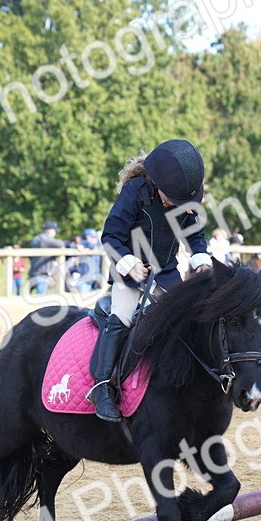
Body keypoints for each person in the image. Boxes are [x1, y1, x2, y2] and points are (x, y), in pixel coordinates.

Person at [90, 139, 214, 421]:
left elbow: (195, 236)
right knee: (121, 318)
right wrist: (129, 264)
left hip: (167, 273)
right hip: (130, 273)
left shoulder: (184, 197)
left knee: (191, 321)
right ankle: (102, 388)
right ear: (158, 186)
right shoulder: (134, 192)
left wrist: (201, 260)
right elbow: (110, 237)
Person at [27, 221, 65, 295]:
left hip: (36, 271)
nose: (55, 233)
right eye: (55, 231)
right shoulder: (43, 238)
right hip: (41, 273)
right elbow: (60, 244)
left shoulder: (37, 238)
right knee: (40, 297)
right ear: (50, 230)